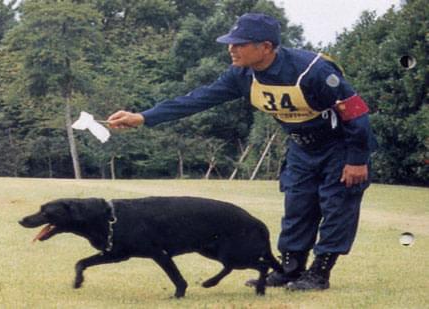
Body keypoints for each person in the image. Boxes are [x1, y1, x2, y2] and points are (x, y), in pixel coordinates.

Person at [107, 12, 377, 291]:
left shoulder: (314, 70)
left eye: (240, 44)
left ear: (266, 47)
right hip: (300, 147)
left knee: (336, 207)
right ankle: (290, 270)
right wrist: (143, 117)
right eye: (230, 43)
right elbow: (198, 99)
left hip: (340, 146)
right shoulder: (241, 75)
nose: (231, 49)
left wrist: (356, 159)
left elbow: (356, 113)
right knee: (297, 206)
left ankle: (319, 274)